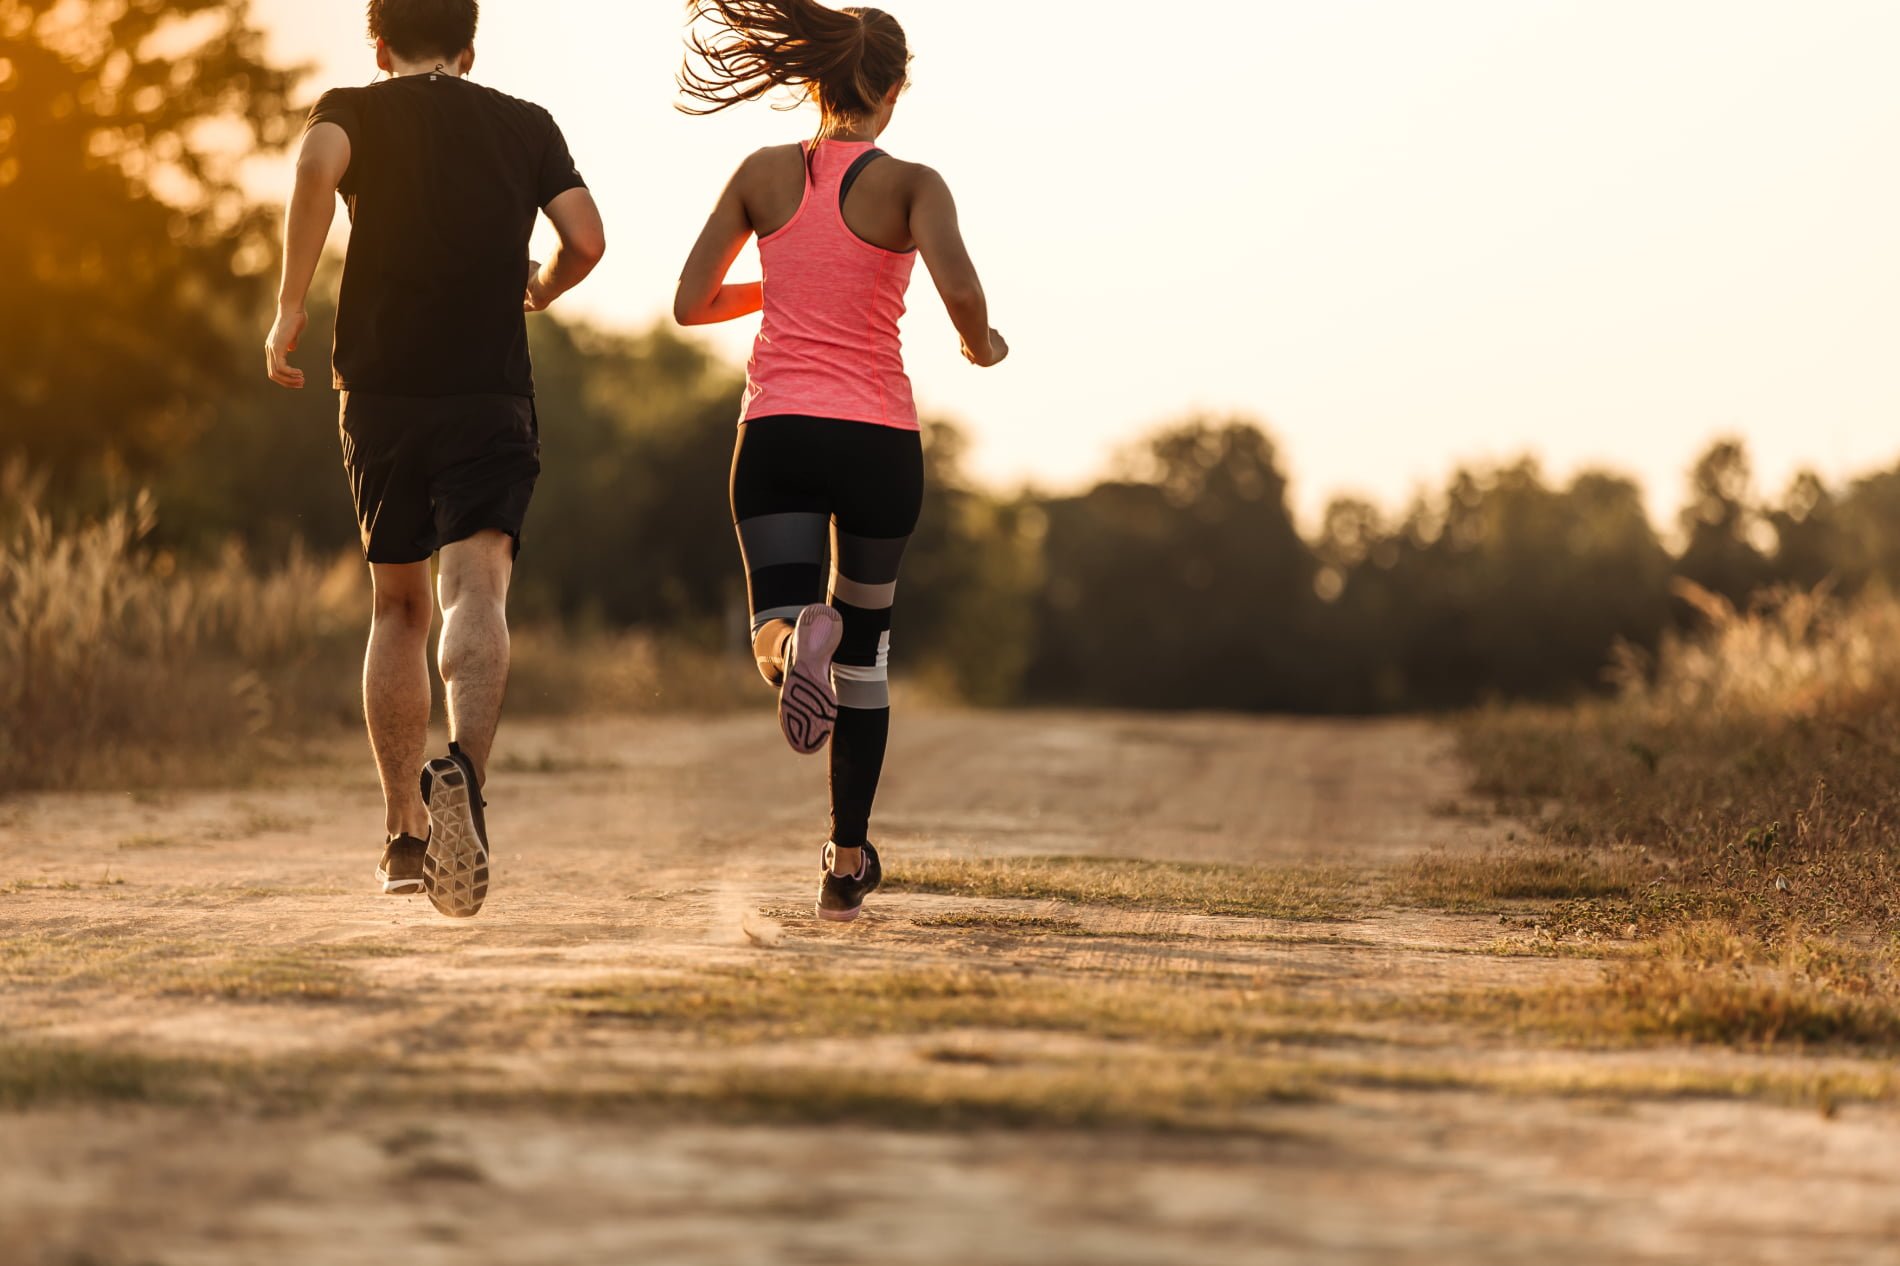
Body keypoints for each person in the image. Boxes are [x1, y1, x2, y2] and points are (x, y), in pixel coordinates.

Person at [266, 0, 605, 919]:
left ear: (378, 46)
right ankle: (465, 778)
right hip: (486, 389)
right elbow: (588, 239)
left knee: (400, 605)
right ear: (469, 45)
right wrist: (543, 285)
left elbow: (313, 164)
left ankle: (405, 839)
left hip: (379, 390)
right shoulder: (525, 124)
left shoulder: (354, 108)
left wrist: (292, 301)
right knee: (478, 591)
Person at [674, 0, 1008, 922]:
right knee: (869, 657)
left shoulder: (760, 175)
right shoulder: (914, 184)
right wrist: (983, 345)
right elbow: (963, 291)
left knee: (768, 627)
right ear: (893, 92)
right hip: (877, 440)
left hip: (778, 429)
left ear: (814, 79)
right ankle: (847, 857)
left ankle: (791, 645)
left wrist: (782, 281)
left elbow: (689, 303)